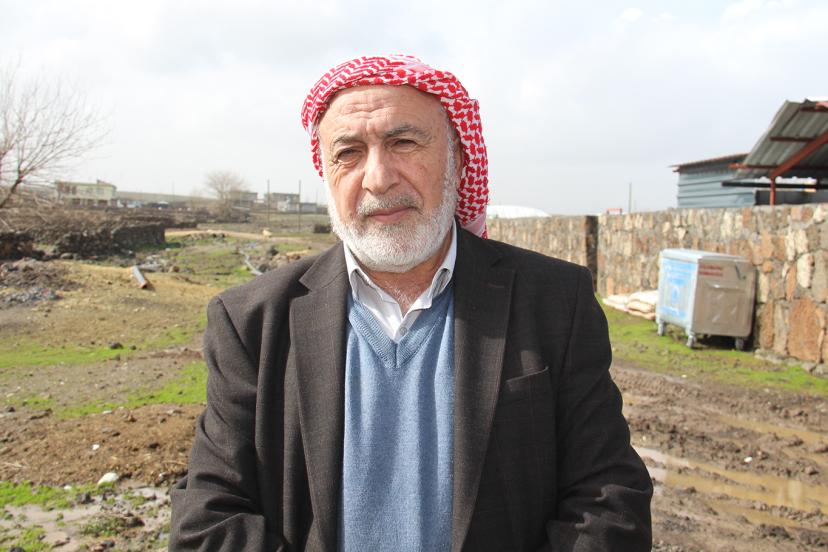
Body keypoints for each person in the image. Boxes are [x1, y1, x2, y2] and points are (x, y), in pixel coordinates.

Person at [170, 55, 652, 551]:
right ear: (327, 173)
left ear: (458, 160)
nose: (378, 178)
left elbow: (609, 501)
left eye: (403, 143)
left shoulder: (554, 301)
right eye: (349, 153)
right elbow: (207, 518)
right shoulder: (251, 322)